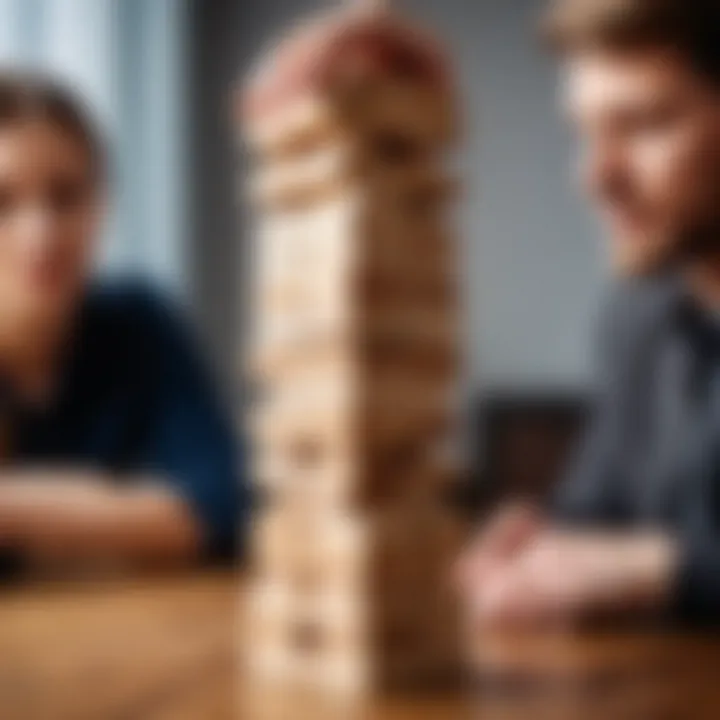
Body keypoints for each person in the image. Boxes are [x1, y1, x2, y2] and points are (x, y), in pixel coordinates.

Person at [458, 0, 720, 627]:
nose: (593, 176)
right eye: (584, 132)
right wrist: (539, 543)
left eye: (644, 125)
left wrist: (667, 570)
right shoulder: (638, 316)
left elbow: (639, 561)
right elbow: (596, 515)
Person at [0, 73, 243, 575]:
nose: (41, 234)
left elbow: (223, 508)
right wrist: (135, 518)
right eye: (3, 203)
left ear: (101, 205)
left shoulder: (140, 322)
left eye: (65, 196)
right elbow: (188, 518)